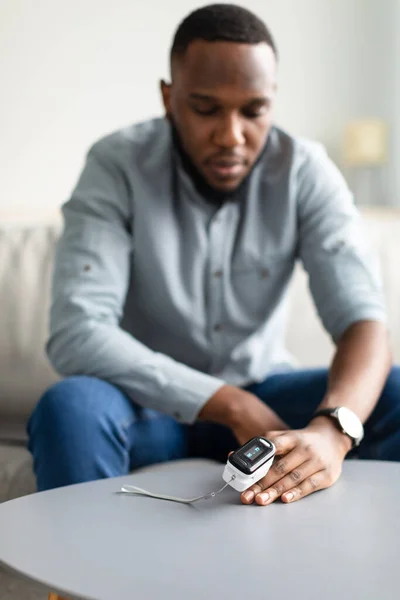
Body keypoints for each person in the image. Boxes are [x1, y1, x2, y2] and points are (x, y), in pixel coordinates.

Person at [28, 3, 400, 506]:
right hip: (146, 409)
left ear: (272, 100)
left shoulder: (305, 170)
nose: (231, 136)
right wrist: (229, 404)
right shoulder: (115, 165)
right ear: (168, 97)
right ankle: (85, 582)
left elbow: (365, 322)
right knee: (68, 407)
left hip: (270, 393)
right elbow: (77, 332)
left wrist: (333, 431)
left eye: (253, 110)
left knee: (393, 391)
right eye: (205, 108)